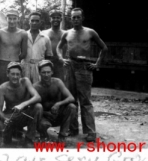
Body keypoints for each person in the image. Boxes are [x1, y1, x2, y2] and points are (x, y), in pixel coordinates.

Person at [56, 8, 108, 142]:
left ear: (82, 18)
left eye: (78, 17)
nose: (76, 19)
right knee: (71, 99)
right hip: (70, 66)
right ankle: (73, 129)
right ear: (70, 19)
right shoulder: (67, 33)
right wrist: (62, 59)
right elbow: (58, 47)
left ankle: (90, 132)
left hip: (84, 67)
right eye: (73, 17)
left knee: (85, 101)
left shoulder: (90, 32)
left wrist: (97, 64)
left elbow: (104, 48)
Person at [0, 62, 42, 147]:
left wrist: (23, 104)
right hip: (10, 114)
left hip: (24, 114)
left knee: (38, 107)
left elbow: (37, 97)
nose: (15, 77)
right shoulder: (2, 88)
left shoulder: (25, 81)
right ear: (7, 74)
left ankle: (29, 138)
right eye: (12, 74)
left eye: (18, 74)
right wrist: (4, 119)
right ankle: (14, 131)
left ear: (21, 75)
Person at [0, 9, 28, 115]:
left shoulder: (23, 34)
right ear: (6, 19)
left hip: (15, 65)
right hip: (1, 64)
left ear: (18, 19)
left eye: (14, 18)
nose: (12, 21)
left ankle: (13, 120)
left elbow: (24, 53)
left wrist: (15, 61)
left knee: (14, 91)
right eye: (9, 18)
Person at [33, 60, 76, 142]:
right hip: (44, 117)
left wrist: (58, 104)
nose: (46, 75)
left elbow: (71, 98)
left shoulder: (58, 82)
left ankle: (62, 136)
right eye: (43, 72)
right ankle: (43, 135)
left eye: (48, 72)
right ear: (39, 73)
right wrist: (45, 113)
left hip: (57, 115)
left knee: (72, 107)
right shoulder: (36, 87)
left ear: (52, 72)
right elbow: (33, 108)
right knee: (40, 118)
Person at [21, 11, 53, 83]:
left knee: (38, 89)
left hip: (39, 68)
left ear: (40, 22)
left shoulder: (45, 38)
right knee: (25, 89)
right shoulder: (23, 35)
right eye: (32, 21)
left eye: (37, 21)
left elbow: (49, 56)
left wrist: (44, 69)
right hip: (25, 67)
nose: (34, 23)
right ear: (29, 21)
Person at [43, 10, 66, 81]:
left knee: (60, 83)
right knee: (47, 82)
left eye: (58, 17)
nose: (55, 19)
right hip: (48, 61)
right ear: (50, 19)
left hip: (60, 63)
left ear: (61, 19)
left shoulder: (65, 33)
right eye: (53, 17)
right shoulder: (44, 33)